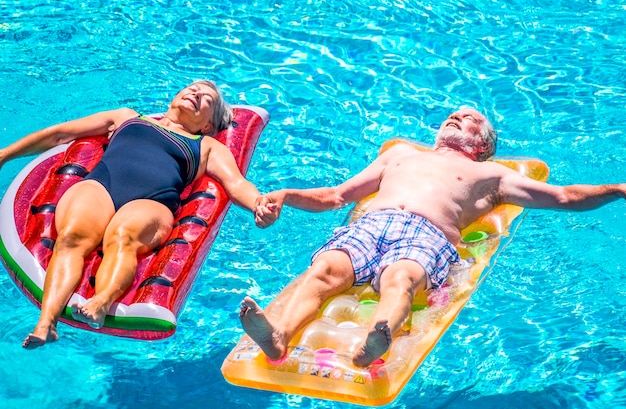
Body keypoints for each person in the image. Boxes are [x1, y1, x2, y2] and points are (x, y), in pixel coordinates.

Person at [241, 107, 626, 368]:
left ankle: (373, 343)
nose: (457, 116)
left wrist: (619, 189)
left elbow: (564, 196)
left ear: (482, 145)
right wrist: (286, 195)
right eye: (454, 114)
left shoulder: (491, 175)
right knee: (325, 268)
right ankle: (277, 337)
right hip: (371, 225)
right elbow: (336, 196)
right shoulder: (400, 155)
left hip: (427, 234)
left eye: (470, 119)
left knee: (401, 277)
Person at [0, 80, 279, 349]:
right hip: (102, 185)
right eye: (193, 88)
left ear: (207, 125)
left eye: (207, 98)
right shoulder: (126, 117)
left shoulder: (206, 146)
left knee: (123, 236)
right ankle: (46, 324)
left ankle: (101, 302)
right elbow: (59, 134)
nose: (196, 93)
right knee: (71, 237)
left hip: (152, 201)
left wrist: (257, 204)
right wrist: (4, 155)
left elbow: (236, 183)